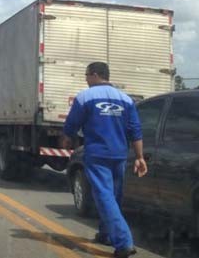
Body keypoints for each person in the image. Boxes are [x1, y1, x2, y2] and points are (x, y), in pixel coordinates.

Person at [62, 62, 146, 258]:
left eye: (86, 75)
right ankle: (106, 234)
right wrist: (140, 157)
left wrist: (67, 138)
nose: (85, 79)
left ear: (94, 75)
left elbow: (72, 124)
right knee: (114, 195)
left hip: (97, 153)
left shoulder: (85, 97)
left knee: (104, 196)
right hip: (119, 154)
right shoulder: (126, 99)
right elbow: (135, 130)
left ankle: (124, 243)